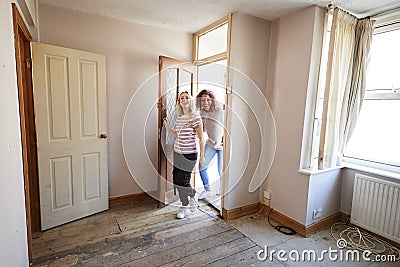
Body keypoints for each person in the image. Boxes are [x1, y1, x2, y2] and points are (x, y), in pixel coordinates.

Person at [164, 91, 205, 219]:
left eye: (187, 97)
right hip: (177, 153)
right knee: (176, 180)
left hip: (189, 154)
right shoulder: (179, 118)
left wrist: (202, 155)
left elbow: (201, 138)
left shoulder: (195, 117)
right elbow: (178, 135)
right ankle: (185, 206)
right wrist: (168, 127)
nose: (184, 99)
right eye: (182, 98)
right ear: (179, 102)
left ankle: (193, 194)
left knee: (183, 180)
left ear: (190, 100)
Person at [196, 89, 224, 199]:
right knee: (201, 167)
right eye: (203, 101)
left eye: (208, 100)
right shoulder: (201, 113)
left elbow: (228, 125)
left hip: (222, 146)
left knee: (221, 171)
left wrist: (225, 138)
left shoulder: (220, 110)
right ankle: (207, 190)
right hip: (211, 143)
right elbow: (201, 130)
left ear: (212, 101)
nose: (206, 103)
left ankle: (223, 190)